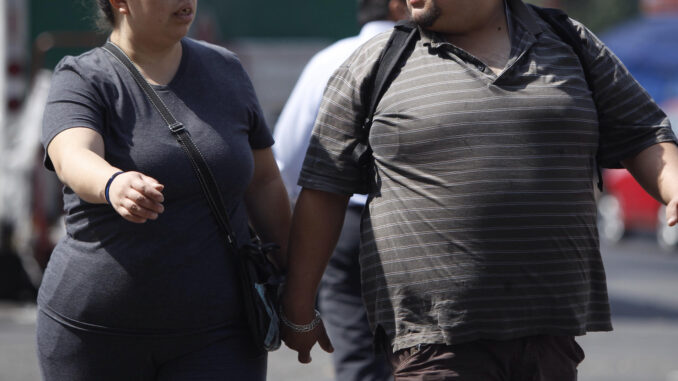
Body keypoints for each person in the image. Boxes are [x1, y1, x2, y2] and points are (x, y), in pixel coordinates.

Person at [280, 0, 678, 379]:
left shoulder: (570, 42)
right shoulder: (377, 61)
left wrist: (672, 187)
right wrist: (300, 308)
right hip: (433, 342)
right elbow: (323, 189)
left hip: (550, 333)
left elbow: (643, 133)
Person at [37, 0, 290, 380]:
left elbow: (265, 181)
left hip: (221, 333)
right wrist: (112, 183)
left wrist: (298, 289)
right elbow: (71, 155)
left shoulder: (226, 70)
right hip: (97, 334)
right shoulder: (82, 76)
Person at [273, 1, 407, 380]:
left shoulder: (330, 59)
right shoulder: (433, 52)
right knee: (432, 352)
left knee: (359, 356)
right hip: (419, 219)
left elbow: (285, 158)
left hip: (343, 224)